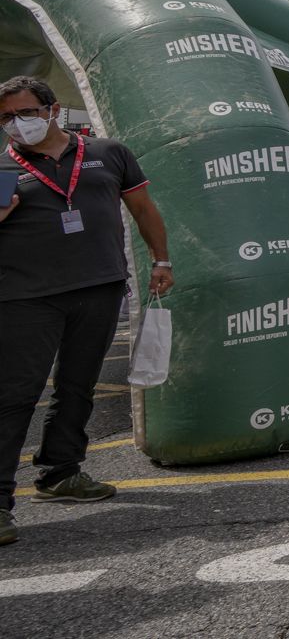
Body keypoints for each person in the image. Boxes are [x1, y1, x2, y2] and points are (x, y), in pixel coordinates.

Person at [0, 76, 171, 544]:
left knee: (78, 386)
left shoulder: (108, 152)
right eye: (7, 117)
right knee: (14, 395)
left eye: (26, 112)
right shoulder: (2, 164)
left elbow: (143, 208)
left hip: (99, 285)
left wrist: (161, 259)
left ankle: (61, 472)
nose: (18, 123)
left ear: (52, 109)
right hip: (24, 296)